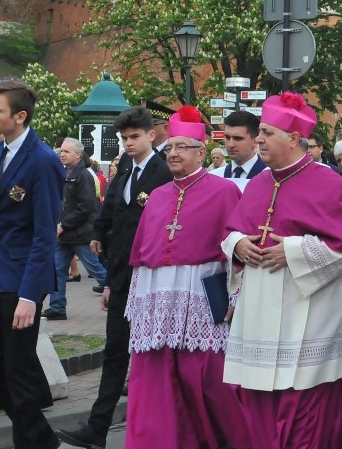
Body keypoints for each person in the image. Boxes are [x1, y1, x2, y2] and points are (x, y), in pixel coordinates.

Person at [222, 92, 342, 448]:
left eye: (267, 132)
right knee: (259, 397)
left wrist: (292, 251)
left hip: (308, 310)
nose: (258, 139)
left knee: (304, 400)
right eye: (258, 132)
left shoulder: (329, 183)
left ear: (293, 139)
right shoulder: (259, 183)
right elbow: (231, 233)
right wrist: (238, 246)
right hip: (259, 306)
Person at [121, 105, 247, 448]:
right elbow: (142, 258)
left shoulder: (225, 192)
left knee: (205, 382)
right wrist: (134, 303)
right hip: (156, 304)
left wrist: (236, 299)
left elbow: (236, 256)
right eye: (170, 147)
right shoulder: (158, 196)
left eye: (181, 147)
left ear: (201, 152)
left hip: (201, 302)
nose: (173, 153)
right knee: (154, 383)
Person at [56, 106, 173, 449]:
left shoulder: (163, 173)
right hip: (122, 277)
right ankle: (97, 429)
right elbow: (112, 213)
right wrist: (107, 277)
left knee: (151, 358)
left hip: (152, 279)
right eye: (124, 138)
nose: (129, 143)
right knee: (114, 352)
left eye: (135, 136)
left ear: (152, 135)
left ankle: (153, 428)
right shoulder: (124, 168)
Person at [0, 80, 65, 449]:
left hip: (22, 281)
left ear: (19, 116)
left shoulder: (43, 160)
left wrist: (30, 295)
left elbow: (44, 236)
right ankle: (41, 437)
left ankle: (32, 443)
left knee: (18, 369)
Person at [44, 138, 107, 320]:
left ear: (78, 155)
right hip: (65, 235)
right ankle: (57, 308)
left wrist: (63, 225)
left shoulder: (83, 176)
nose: (62, 154)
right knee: (57, 270)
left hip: (79, 234)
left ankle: (122, 296)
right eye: (61, 151)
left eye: (66, 151)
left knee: (96, 269)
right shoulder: (64, 172)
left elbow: (86, 208)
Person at [208, 110, 266, 191]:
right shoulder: (214, 177)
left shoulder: (270, 177)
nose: (230, 144)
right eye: (227, 137)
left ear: (255, 141)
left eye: (238, 138)